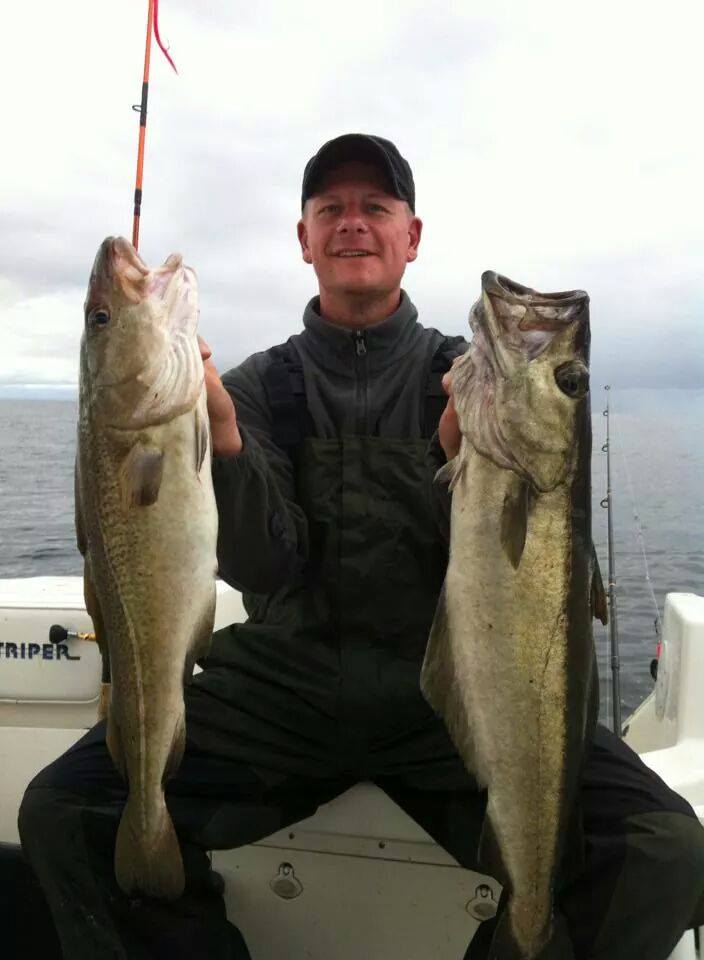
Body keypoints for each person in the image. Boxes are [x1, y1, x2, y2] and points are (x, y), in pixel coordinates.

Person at [17, 133, 704, 960]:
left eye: (375, 206)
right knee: (68, 810)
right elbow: (266, 565)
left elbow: (512, 576)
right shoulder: (252, 387)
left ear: (411, 237)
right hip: (284, 688)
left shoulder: (473, 379)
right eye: (330, 208)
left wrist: (461, 467)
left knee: (661, 844)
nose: (352, 222)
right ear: (303, 239)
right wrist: (226, 448)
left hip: (449, 696)